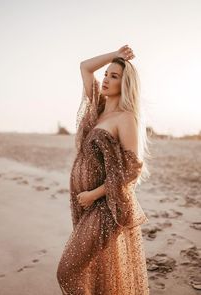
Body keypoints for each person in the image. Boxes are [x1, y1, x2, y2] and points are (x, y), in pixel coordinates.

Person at [56, 45, 151, 294]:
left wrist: (93, 194)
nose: (106, 79)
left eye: (114, 76)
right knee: (92, 274)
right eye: (107, 74)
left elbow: (131, 171)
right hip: (86, 204)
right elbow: (85, 67)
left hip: (108, 205)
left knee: (68, 271)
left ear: (126, 83)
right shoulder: (97, 109)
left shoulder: (126, 118)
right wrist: (114, 55)